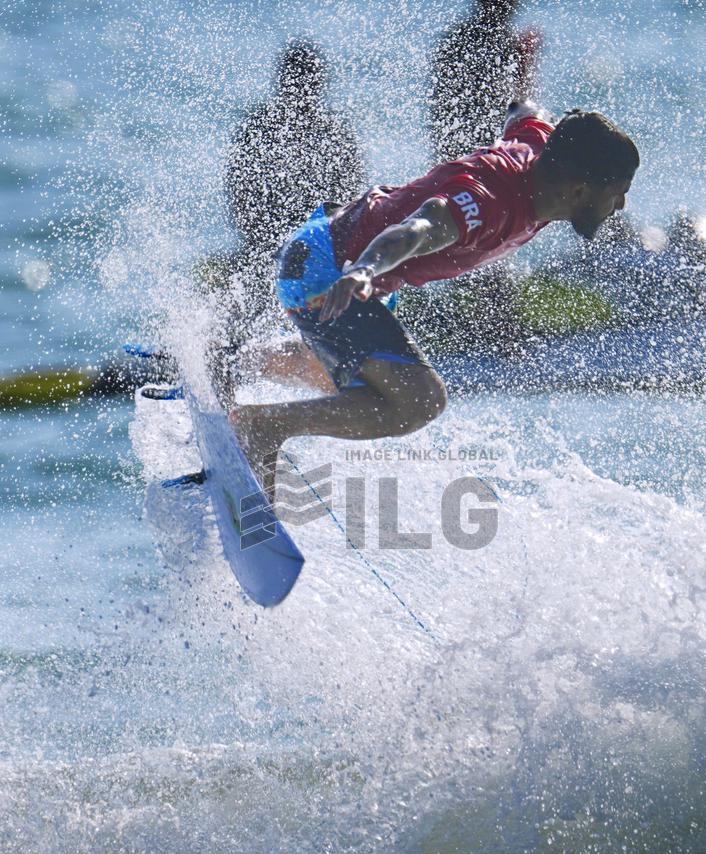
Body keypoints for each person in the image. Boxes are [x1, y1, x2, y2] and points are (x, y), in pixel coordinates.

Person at [228, 102, 640, 494]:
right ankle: (263, 426)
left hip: (333, 248)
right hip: (331, 271)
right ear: (579, 189)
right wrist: (364, 270)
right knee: (418, 400)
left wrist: (521, 91)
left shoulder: (541, 143)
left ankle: (233, 360)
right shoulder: (486, 203)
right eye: (617, 192)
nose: (620, 205)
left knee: (362, 381)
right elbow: (419, 229)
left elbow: (525, 112)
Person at [224, 39, 366, 288]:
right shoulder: (332, 131)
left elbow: (238, 197)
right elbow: (350, 202)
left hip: (297, 243)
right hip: (298, 244)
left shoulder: (258, 126)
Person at [429, 0, 541, 163]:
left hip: (456, 131)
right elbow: (522, 100)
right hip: (484, 131)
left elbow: (440, 99)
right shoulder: (507, 43)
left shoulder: (455, 36)